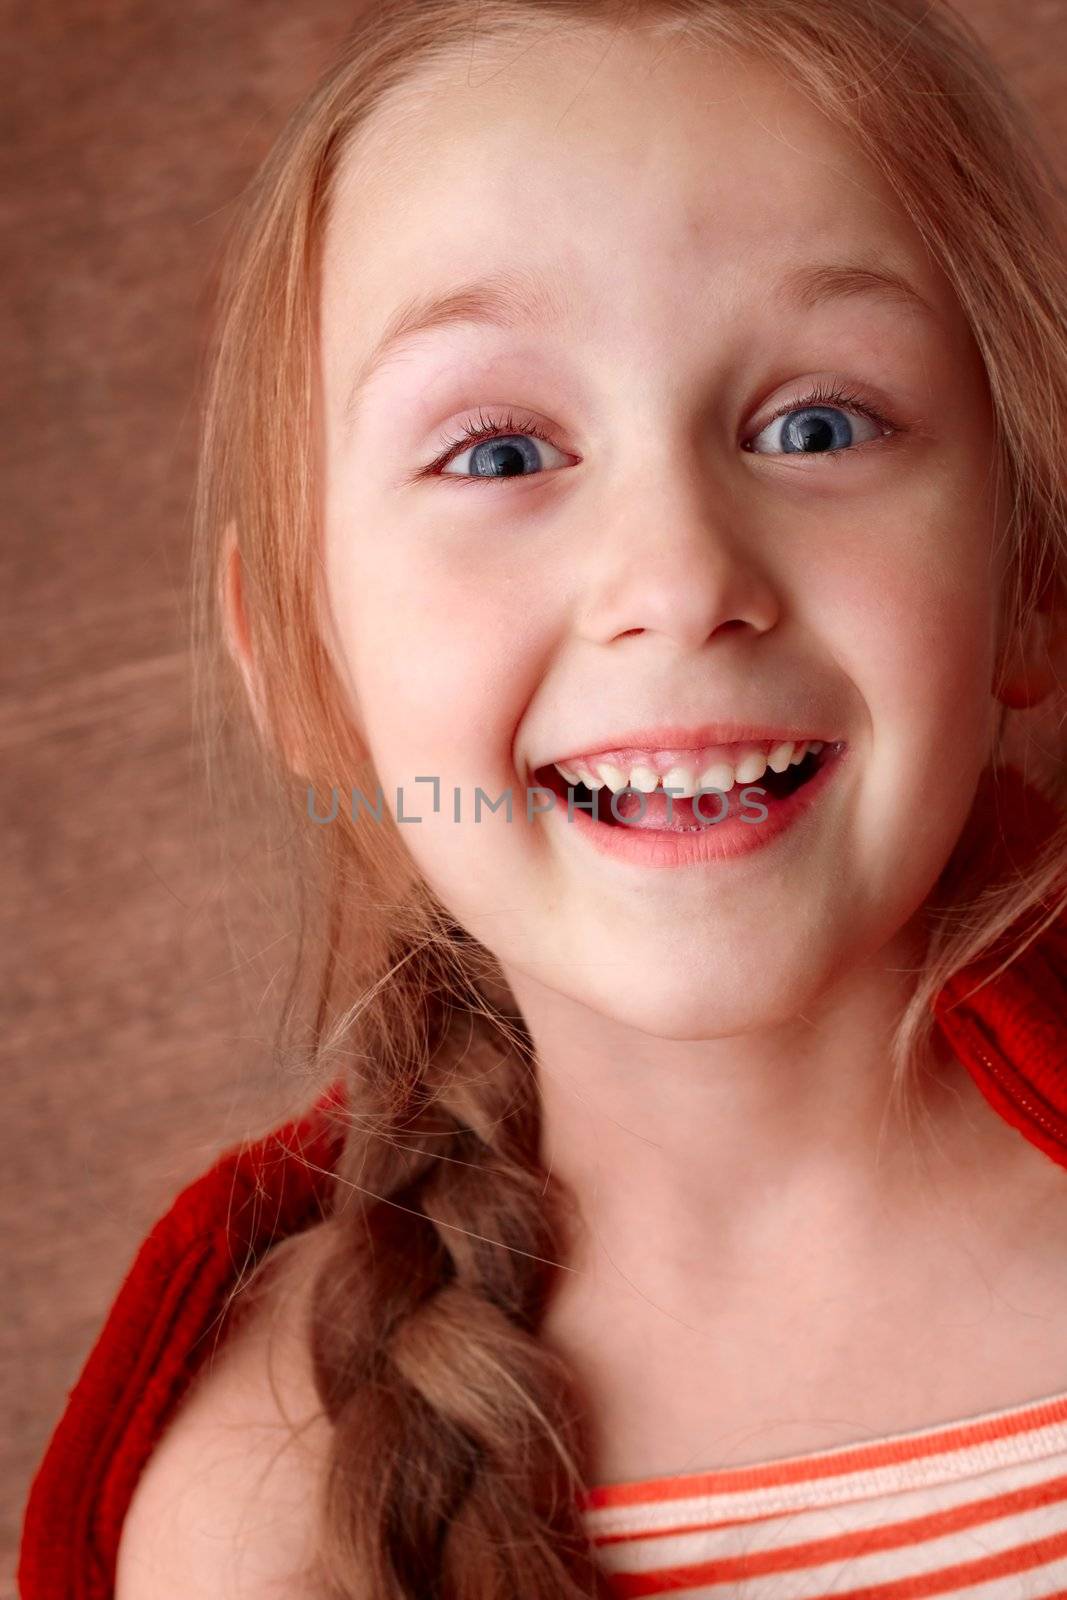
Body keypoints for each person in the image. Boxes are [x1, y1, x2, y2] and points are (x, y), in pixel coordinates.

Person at [19, 0, 1067, 1595]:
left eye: (817, 424)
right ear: (308, 663)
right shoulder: (261, 1507)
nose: (678, 579)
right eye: (501, 455)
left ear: (1031, 576)